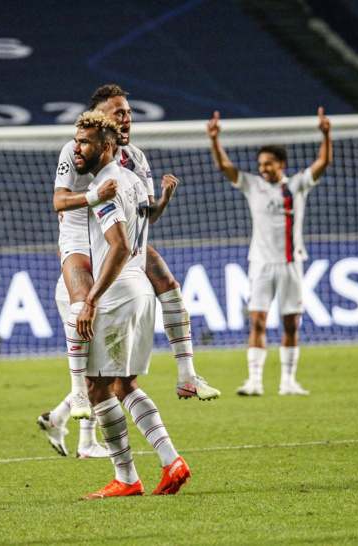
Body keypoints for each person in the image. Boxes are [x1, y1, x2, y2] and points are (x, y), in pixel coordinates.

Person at [38, 84, 220, 453]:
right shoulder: (75, 150)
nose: (126, 118)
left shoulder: (135, 157)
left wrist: (164, 199)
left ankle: (186, 375)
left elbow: (147, 212)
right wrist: (93, 196)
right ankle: (81, 419)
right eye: (117, 112)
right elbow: (59, 201)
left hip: (122, 237)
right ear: (100, 119)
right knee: (86, 312)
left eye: (128, 112)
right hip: (79, 238)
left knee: (167, 282)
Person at [71, 110, 190, 498]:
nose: (77, 148)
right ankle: (171, 461)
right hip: (141, 291)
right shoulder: (134, 181)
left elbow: (119, 245)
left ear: (106, 147)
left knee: (96, 388)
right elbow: (145, 223)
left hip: (118, 293)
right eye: (76, 141)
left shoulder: (107, 183)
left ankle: (126, 478)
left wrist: (91, 299)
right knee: (124, 385)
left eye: (85, 142)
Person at [207, 108, 332, 396]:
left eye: (268, 164)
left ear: (281, 164)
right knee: (258, 320)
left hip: (290, 263)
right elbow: (225, 168)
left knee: (291, 323)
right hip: (260, 263)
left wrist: (326, 133)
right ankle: (254, 381)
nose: (263, 169)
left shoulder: (297, 184)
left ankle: (288, 382)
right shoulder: (253, 185)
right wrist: (215, 140)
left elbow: (324, 162)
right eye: (261, 164)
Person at [36, 272, 110, 459]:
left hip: (77, 287)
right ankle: (86, 443)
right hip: (82, 291)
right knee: (103, 369)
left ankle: (59, 418)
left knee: (103, 369)